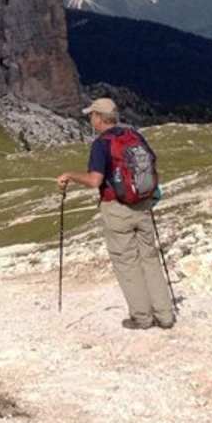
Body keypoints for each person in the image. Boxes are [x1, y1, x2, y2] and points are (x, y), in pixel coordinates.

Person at [56, 97, 175, 331]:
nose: (90, 119)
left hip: (117, 209)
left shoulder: (101, 144)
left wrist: (69, 175)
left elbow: (94, 181)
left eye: (92, 115)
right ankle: (165, 315)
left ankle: (141, 317)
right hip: (143, 206)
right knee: (150, 259)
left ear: (100, 118)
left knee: (127, 262)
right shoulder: (134, 136)